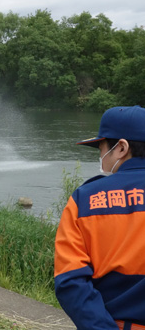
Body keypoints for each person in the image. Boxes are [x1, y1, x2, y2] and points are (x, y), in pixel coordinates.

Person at [54, 105, 145, 329]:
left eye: (102, 149)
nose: (101, 158)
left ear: (121, 148)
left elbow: (71, 280)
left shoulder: (85, 199)